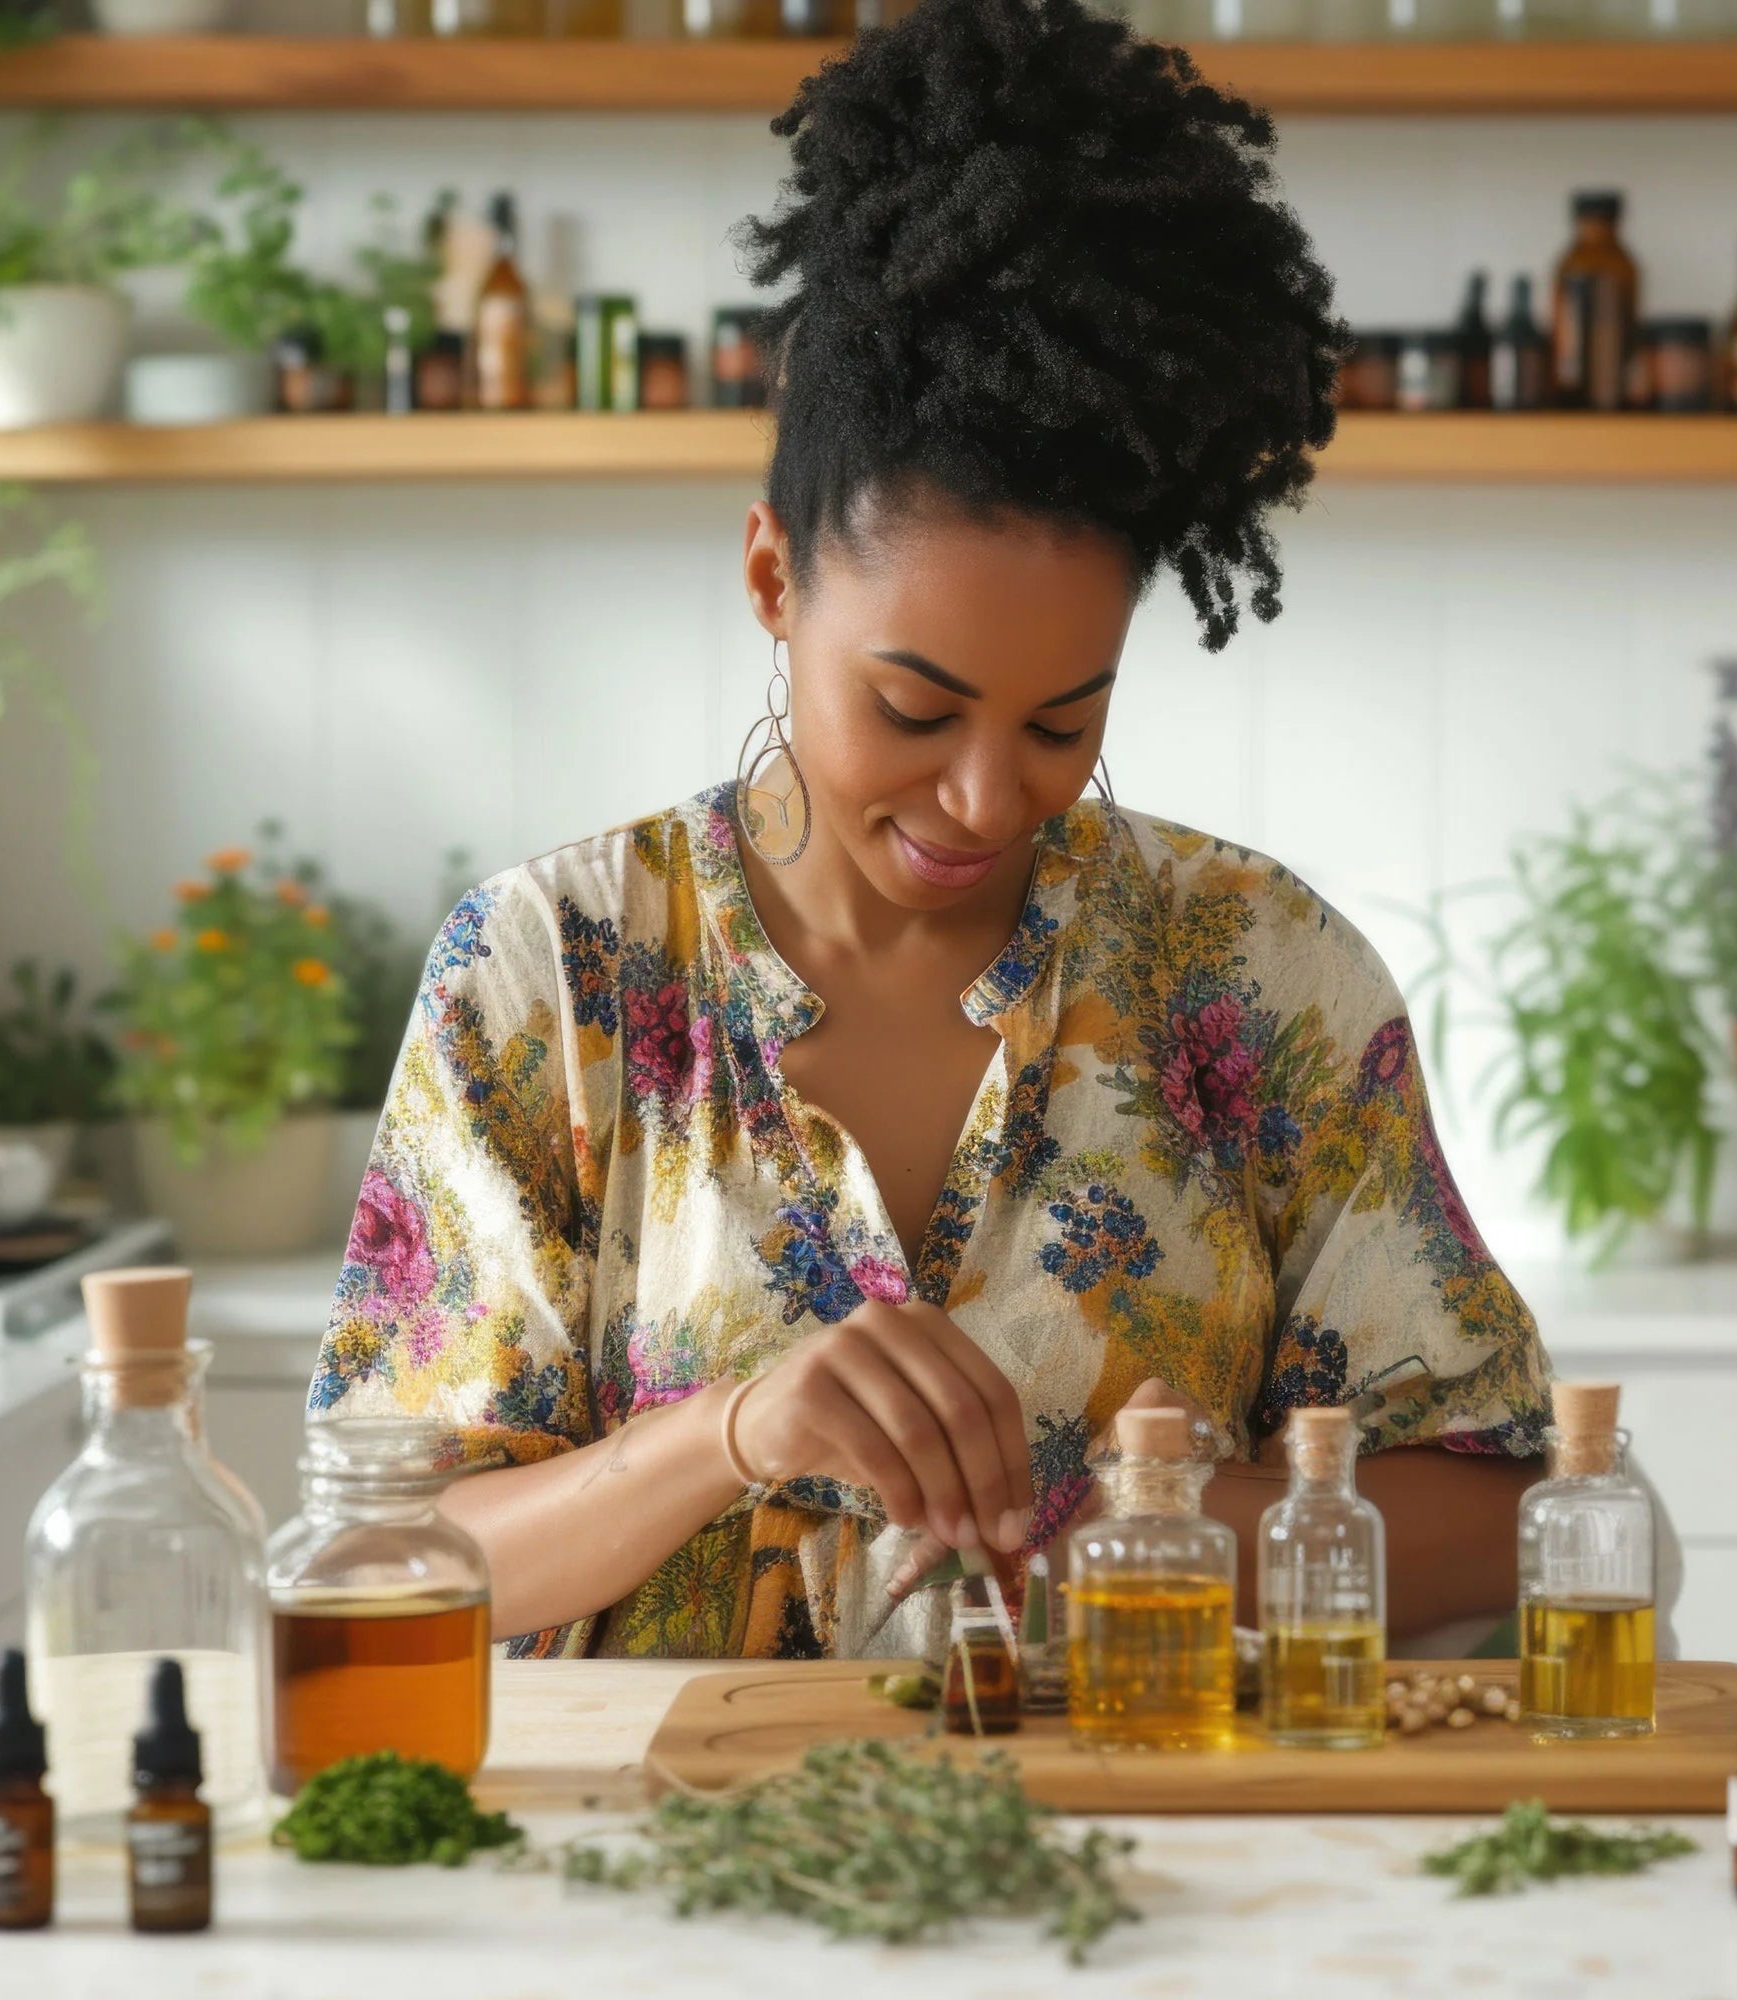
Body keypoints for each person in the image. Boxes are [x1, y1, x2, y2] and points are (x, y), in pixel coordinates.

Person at [311, 0, 1551, 1662]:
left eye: (1064, 723)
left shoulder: (1256, 975)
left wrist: (1121, 1525)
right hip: (644, 1880)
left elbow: (1507, 1513)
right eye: (914, 708)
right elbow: (384, 1564)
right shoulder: (553, 973)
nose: (986, 799)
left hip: (1153, 1861)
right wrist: (728, 1437)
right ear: (772, 579)